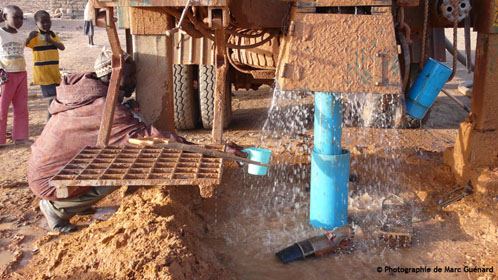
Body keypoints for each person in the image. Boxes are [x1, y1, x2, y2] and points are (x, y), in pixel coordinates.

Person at [28, 49, 244, 233]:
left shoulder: (80, 94)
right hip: (51, 181)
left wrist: (126, 106)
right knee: (120, 169)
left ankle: (75, 202)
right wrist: (214, 150)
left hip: (45, 169)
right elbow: (156, 141)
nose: (134, 81)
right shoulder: (104, 109)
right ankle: (56, 208)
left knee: (109, 157)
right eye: (129, 76)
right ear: (111, 76)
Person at [26, 10, 65, 120]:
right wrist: (29, 37)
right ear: (36, 24)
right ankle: (49, 122)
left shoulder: (53, 35)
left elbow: (62, 47)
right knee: (52, 99)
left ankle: (52, 121)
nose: (46, 24)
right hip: (43, 75)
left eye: (48, 22)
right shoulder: (35, 37)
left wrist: (52, 41)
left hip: (54, 73)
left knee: (56, 98)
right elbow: (24, 44)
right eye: (43, 22)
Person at [0, 5, 30, 145]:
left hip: (21, 74)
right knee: (2, 109)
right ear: (5, 17)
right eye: (15, 17)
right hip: (5, 76)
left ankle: (20, 136)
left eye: (21, 18)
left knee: (21, 107)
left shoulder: (21, 36)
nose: (19, 21)